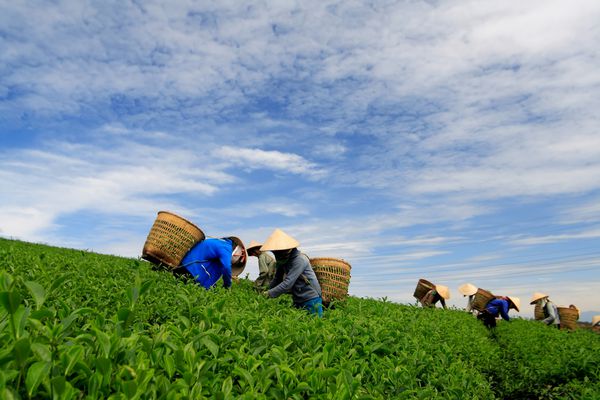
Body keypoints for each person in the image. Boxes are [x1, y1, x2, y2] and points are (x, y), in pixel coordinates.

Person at [260, 228, 323, 317]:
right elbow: (277, 279)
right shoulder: (283, 261)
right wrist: (267, 291)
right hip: (298, 298)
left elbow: (288, 283)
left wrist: (269, 294)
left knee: (315, 325)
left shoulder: (300, 259)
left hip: (311, 298)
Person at [177, 237, 246, 289]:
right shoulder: (226, 247)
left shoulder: (221, 243)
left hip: (185, 267)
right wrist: (227, 286)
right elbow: (226, 267)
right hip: (191, 271)